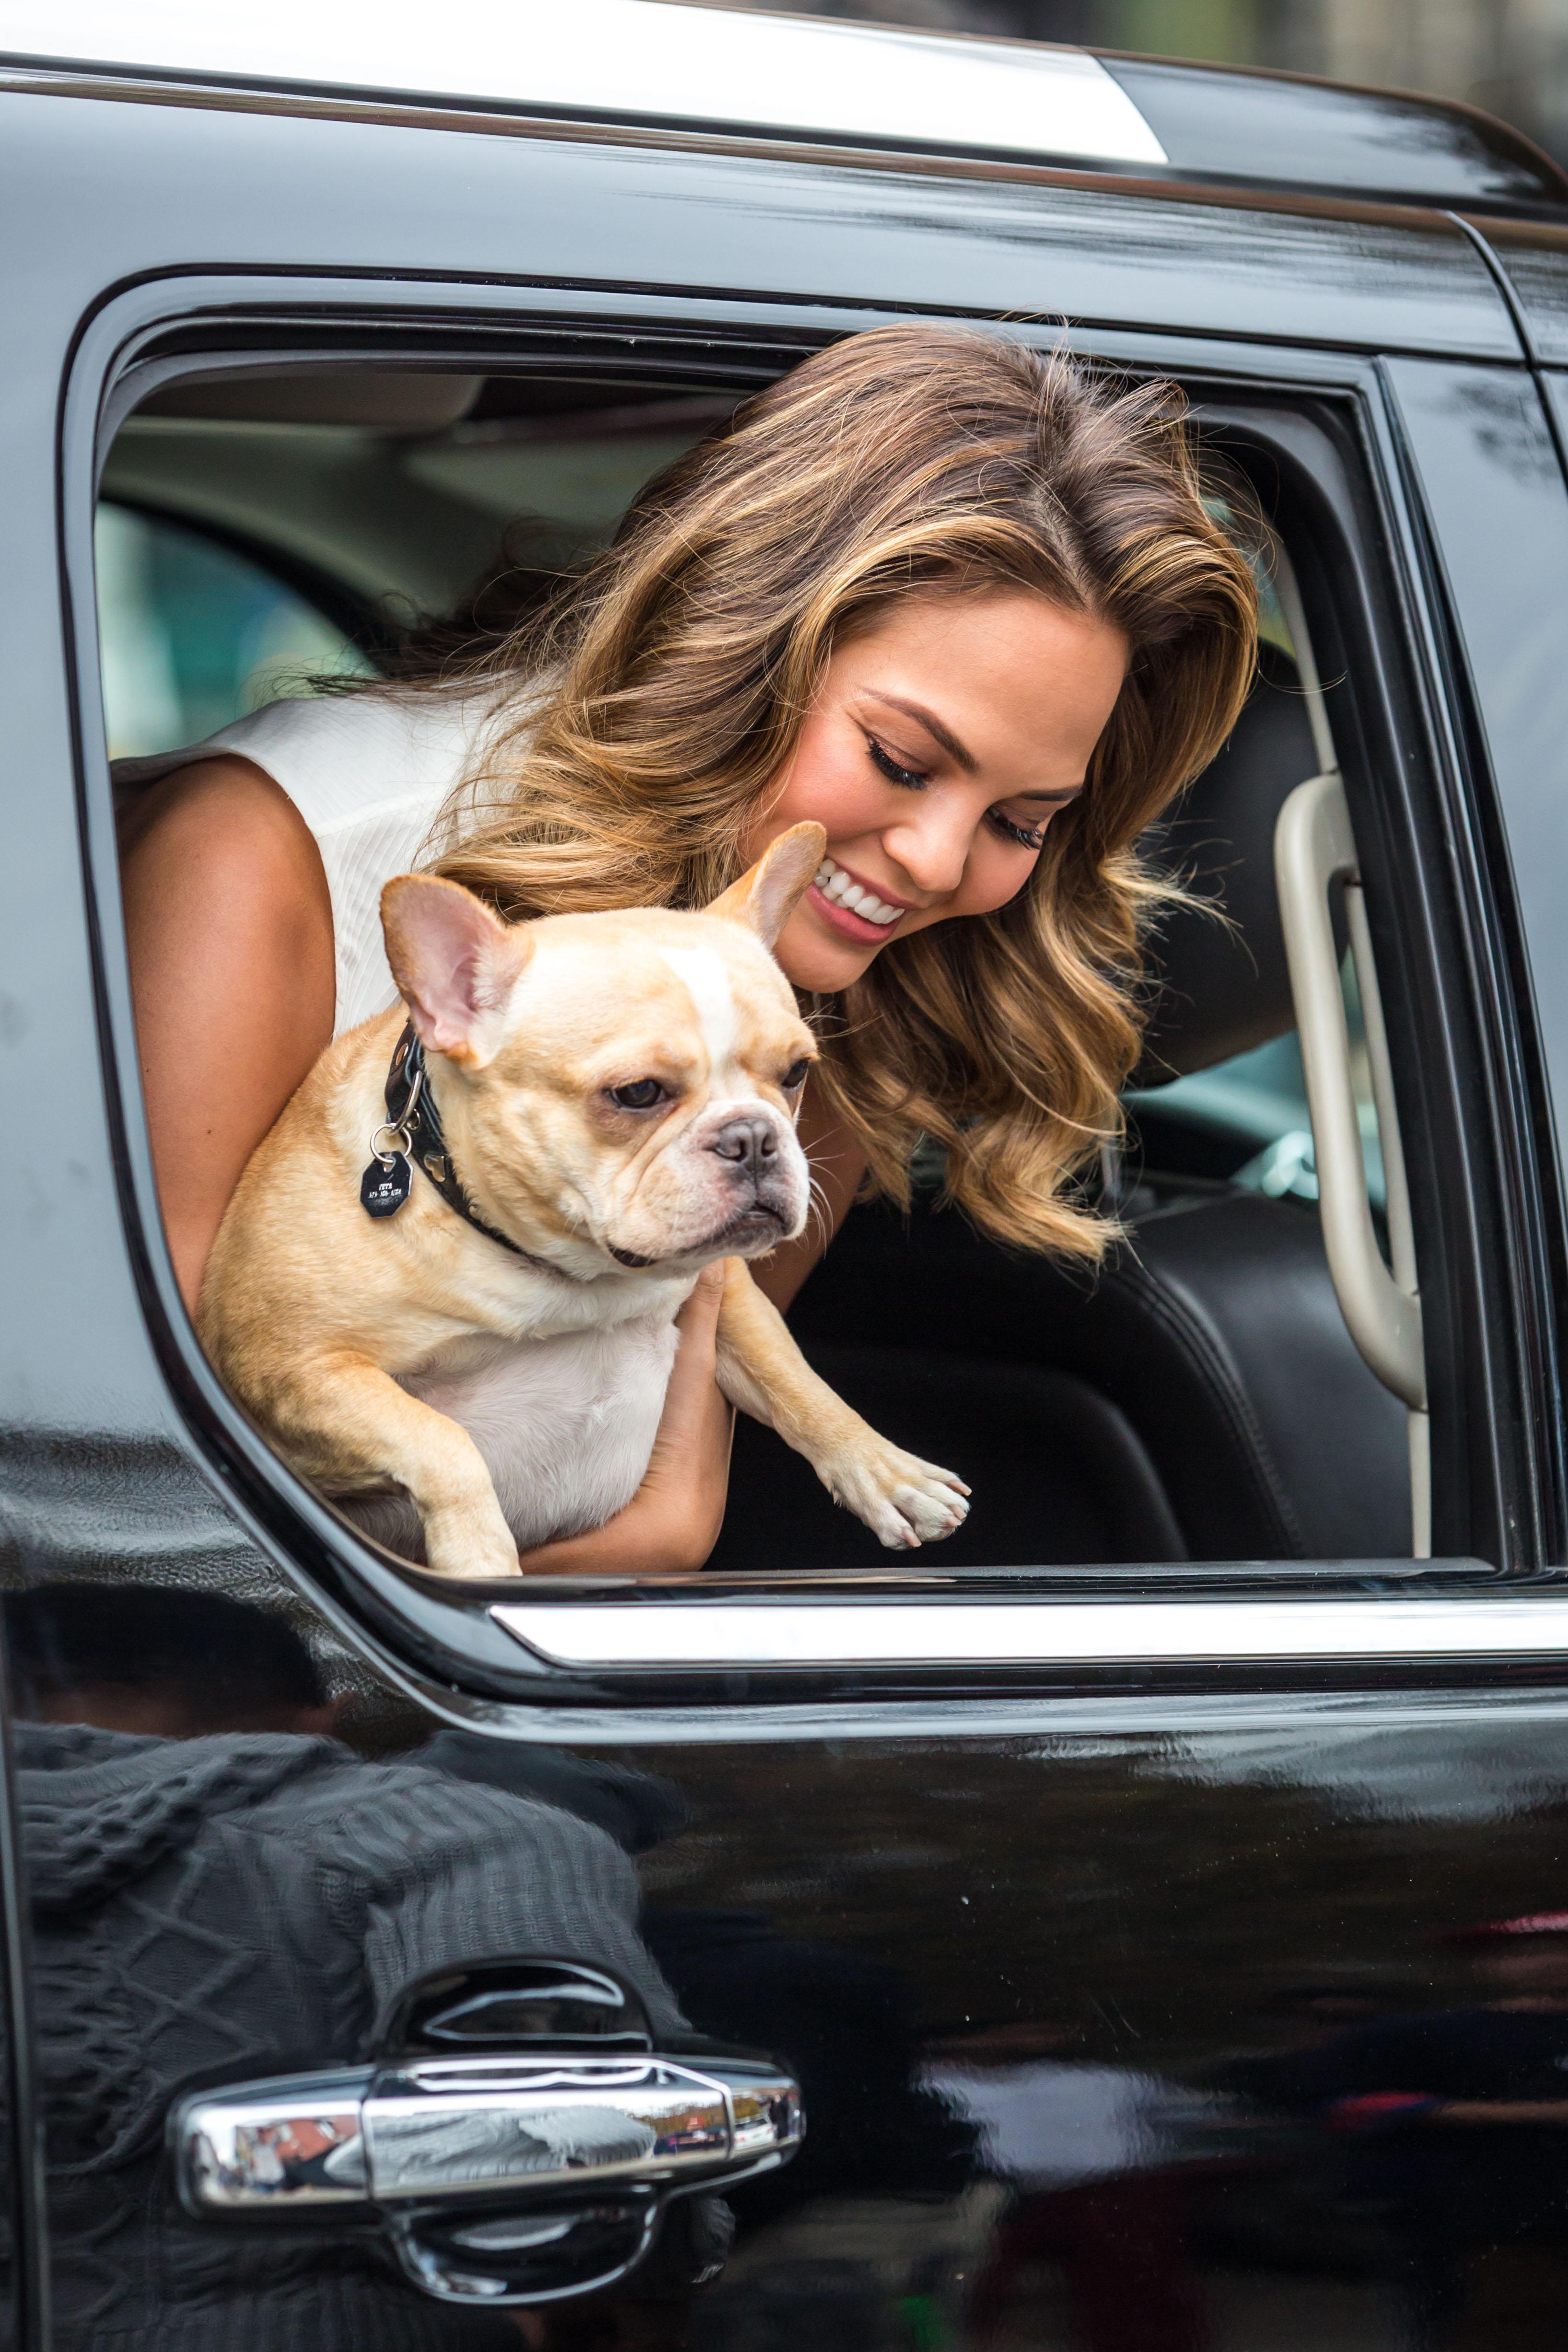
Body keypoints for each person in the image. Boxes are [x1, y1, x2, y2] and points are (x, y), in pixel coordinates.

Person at [116, 326, 1259, 1573]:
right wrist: (655, 1543)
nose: (938, 861)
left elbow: (655, 1430)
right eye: (901, 761)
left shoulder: (810, 997)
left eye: (1020, 822)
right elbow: (155, 1515)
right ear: (739, 643)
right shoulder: (274, 852)